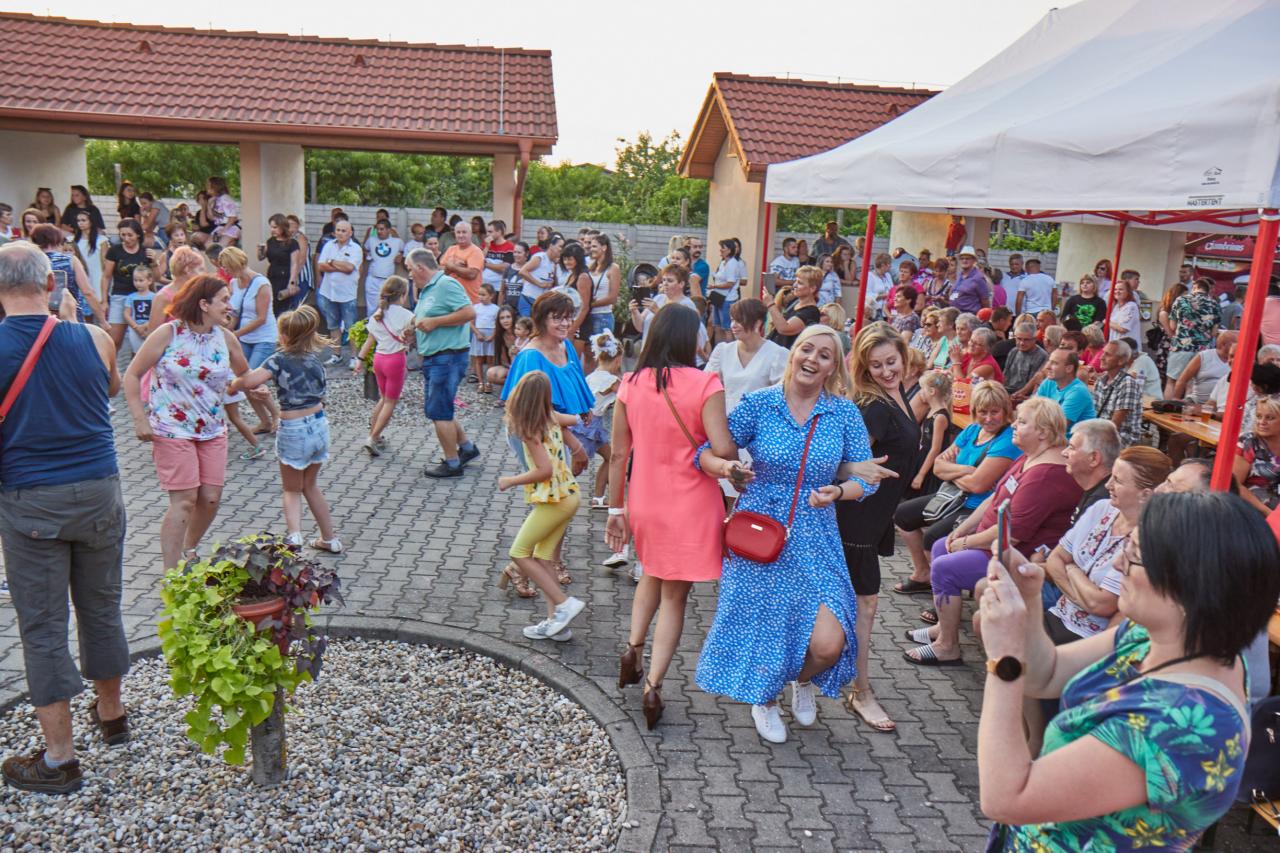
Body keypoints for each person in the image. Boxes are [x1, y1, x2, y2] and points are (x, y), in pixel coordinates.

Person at [976, 491, 1279, 851]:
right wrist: (1028, 599)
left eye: (1134, 555)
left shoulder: (1180, 724)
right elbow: (1047, 674)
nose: (1118, 564)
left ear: (1190, 584)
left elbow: (1006, 798)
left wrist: (1004, 659)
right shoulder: (1156, 637)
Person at [694, 324, 892, 745]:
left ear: (833, 367)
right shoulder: (760, 404)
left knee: (829, 643)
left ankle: (803, 680)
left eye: (824, 354)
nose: (812, 359)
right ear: (793, 354)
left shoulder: (843, 413)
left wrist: (840, 491)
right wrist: (728, 469)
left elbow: (867, 480)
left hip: (816, 532)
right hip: (760, 530)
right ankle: (764, 699)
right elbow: (707, 451)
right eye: (806, 349)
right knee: (766, 625)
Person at [0, 243, 128, 793]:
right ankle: (112, 716)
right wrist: (71, 325)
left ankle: (60, 759)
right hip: (100, 490)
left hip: (31, 501)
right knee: (102, 607)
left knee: (43, 627)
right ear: (50, 285)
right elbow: (110, 388)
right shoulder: (95, 338)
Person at [604, 307, 735, 727]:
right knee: (675, 597)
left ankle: (632, 649)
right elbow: (722, 448)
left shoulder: (631, 383)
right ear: (688, 338)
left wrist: (615, 508)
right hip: (691, 503)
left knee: (650, 573)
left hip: (645, 499)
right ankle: (653, 686)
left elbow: (619, 453)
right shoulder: (706, 383)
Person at [905, 397, 1080, 666]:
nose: (1014, 425)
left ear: (1043, 432)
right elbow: (994, 499)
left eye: (1022, 422)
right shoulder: (1028, 457)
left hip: (1016, 555)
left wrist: (967, 542)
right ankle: (943, 627)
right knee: (940, 545)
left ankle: (948, 647)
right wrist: (962, 531)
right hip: (994, 542)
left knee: (944, 568)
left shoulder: (1045, 475)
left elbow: (1012, 534)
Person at [124, 275, 249, 569]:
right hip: (172, 428)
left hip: (212, 428)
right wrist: (140, 418)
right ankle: (172, 575)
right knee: (185, 500)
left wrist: (255, 386)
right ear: (204, 304)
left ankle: (188, 548)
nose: (230, 305)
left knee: (210, 498)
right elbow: (132, 375)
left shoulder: (226, 338)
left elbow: (244, 374)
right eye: (224, 300)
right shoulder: (168, 333)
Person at [836, 324, 919, 734]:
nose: (887, 371)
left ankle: (834, 677)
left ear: (903, 356)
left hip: (874, 518)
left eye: (891, 362)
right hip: (857, 519)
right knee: (863, 606)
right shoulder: (874, 406)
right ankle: (860, 690)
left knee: (857, 606)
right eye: (877, 365)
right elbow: (842, 462)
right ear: (864, 368)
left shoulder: (897, 394)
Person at [228, 306, 341, 553]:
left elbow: (249, 381)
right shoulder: (316, 361)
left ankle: (294, 537)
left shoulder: (278, 359)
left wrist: (233, 383)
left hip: (294, 428)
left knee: (291, 489)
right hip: (319, 425)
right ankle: (330, 539)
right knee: (311, 485)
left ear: (283, 336)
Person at [893, 382, 1020, 598]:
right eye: (983, 412)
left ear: (1005, 411)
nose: (988, 418)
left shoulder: (1006, 440)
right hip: (953, 496)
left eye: (995, 412)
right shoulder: (972, 430)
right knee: (902, 515)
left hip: (977, 506)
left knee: (932, 538)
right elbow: (937, 467)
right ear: (974, 412)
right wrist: (967, 470)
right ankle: (924, 574)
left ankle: (945, 590)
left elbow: (978, 486)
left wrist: (953, 472)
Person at [1042, 447, 1171, 644]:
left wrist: (1071, 569)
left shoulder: (1144, 540)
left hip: (1086, 638)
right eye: (1111, 476)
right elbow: (1054, 559)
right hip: (1057, 614)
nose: (1108, 485)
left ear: (1145, 494)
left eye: (1117, 480)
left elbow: (1101, 604)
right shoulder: (1102, 508)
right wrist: (1085, 598)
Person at [498, 370, 587, 640]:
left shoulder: (530, 429)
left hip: (555, 501)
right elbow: (571, 419)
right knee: (544, 557)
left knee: (519, 552)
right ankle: (557, 624)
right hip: (570, 495)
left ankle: (563, 604)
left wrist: (511, 480)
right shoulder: (550, 417)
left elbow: (544, 470)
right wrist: (580, 419)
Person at [411, 248, 481, 479]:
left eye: (410, 269)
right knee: (442, 408)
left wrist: (436, 322)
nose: (410, 275)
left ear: (421, 268)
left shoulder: (446, 285)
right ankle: (467, 449)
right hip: (436, 357)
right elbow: (425, 317)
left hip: (447, 358)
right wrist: (412, 328)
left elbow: (469, 313)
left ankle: (452, 464)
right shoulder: (428, 289)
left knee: (439, 412)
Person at [353, 276, 414, 456]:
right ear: (402, 295)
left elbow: (370, 341)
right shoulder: (407, 315)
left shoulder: (377, 314)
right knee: (390, 402)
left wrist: (359, 359)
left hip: (379, 359)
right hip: (395, 360)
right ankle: (373, 438)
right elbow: (412, 336)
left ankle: (374, 434)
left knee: (383, 398)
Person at [704, 297, 788, 412]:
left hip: (760, 419)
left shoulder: (777, 354)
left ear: (758, 323)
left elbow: (782, 396)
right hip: (725, 418)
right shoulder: (723, 351)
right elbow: (707, 386)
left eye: (739, 320)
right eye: (732, 320)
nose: (733, 325)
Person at [29, 224, 102, 326]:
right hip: (69, 317)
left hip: (39, 318)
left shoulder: (29, 262)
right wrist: (102, 320)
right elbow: (88, 292)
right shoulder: (70, 260)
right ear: (57, 239)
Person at [630, 265, 709, 357]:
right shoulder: (658, 298)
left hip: (670, 357)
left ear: (681, 284)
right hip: (648, 354)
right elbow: (641, 327)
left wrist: (658, 311)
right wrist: (634, 312)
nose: (665, 283)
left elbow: (683, 333)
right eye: (663, 280)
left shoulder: (687, 305)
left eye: (670, 281)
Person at [103, 219, 156, 350]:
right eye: (123, 235)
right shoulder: (115, 251)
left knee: (142, 341)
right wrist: (104, 300)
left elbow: (156, 277)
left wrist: (155, 262)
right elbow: (106, 276)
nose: (126, 238)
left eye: (130, 235)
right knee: (114, 341)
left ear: (138, 234)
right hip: (120, 296)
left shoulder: (145, 252)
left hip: (142, 298)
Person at [315, 220, 362, 365]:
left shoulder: (356, 248)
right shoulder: (329, 245)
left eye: (343, 230)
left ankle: (354, 357)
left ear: (350, 233)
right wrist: (338, 265)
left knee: (351, 327)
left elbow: (349, 268)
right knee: (333, 325)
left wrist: (331, 261)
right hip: (329, 292)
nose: (340, 233)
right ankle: (336, 355)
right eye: (338, 230)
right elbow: (321, 266)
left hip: (347, 294)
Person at [1165, 278, 1221, 397]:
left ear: (1194, 288)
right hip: (1202, 350)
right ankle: (1187, 408)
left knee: (1171, 381)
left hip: (1180, 346)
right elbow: (1214, 333)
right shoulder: (1214, 304)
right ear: (1207, 291)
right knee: (1191, 384)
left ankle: (1167, 406)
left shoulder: (1180, 300)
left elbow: (1172, 326)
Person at [1062, 418, 1121, 525]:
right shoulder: (1098, 492)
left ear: (1094, 458)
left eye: (1072, 447)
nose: (1064, 453)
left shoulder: (1101, 503)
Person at [1091, 341, 1144, 447]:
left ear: (1121, 360)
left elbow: (1114, 425)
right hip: (1102, 434)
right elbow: (1094, 414)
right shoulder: (1101, 381)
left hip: (1121, 439)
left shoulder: (1128, 384)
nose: (1101, 357)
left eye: (1108, 354)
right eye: (1103, 353)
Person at [1235, 395, 1280, 514]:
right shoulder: (1249, 441)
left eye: (1270, 418)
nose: (1262, 422)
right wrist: (1269, 513)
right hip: (1253, 508)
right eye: (1259, 416)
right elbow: (1235, 485)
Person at [1035, 349, 1096, 434]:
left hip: (1072, 440)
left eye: (1054, 363)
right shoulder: (1049, 381)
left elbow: (1058, 426)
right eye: (1049, 361)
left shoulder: (1078, 391)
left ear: (1069, 369)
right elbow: (1032, 408)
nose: (1047, 367)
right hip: (1049, 435)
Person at [1171, 329, 1234, 404]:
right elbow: (1182, 380)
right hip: (1197, 402)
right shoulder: (1204, 356)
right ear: (1224, 344)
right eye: (1236, 343)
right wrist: (1176, 399)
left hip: (1223, 404)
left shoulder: (1239, 360)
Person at [767, 265, 823, 349]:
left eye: (800, 283)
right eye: (795, 281)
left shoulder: (811, 312)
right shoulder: (794, 303)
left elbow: (784, 328)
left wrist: (770, 304)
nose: (795, 285)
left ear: (812, 288)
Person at [362, 218, 403, 318]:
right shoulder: (371, 240)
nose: (379, 231)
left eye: (382, 229)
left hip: (387, 280)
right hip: (373, 278)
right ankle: (370, 326)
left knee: (387, 308)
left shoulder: (397, 242)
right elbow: (364, 249)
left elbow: (404, 251)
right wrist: (368, 255)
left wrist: (400, 256)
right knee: (371, 308)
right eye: (378, 229)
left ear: (389, 230)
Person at [708, 238, 747, 343]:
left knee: (727, 328)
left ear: (729, 250)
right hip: (718, 297)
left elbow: (730, 283)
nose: (720, 250)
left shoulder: (733, 264)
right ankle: (719, 349)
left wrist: (714, 286)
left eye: (723, 248)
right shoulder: (723, 262)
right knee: (717, 327)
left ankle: (729, 349)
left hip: (727, 299)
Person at [257, 213, 301, 305]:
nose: (272, 230)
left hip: (285, 276)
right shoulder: (270, 241)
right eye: (271, 227)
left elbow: (295, 264)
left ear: (282, 227)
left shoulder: (292, 243)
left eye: (275, 227)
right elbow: (261, 258)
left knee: (283, 303)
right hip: (272, 275)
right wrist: (260, 250)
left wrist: (292, 282)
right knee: (272, 302)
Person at [516, 234, 563, 317]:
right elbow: (522, 271)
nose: (562, 249)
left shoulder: (553, 263)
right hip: (528, 299)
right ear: (551, 246)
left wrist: (549, 283)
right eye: (560, 246)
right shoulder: (540, 257)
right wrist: (539, 284)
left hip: (540, 303)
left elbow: (547, 280)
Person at [584, 233, 621, 339]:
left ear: (604, 247)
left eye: (594, 246)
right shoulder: (590, 267)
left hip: (602, 317)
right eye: (591, 246)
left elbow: (613, 298)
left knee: (600, 349)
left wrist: (590, 304)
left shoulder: (613, 268)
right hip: (587, 315)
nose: (591, 249)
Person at [72, 211, 109, 312]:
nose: (80, 223)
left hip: (97, 277)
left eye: (83, 220)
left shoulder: (101, 240)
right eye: (78, 220)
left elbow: (104, 264)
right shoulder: (72, 240)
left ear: (91, 222)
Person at [1003, 320, 1048, 403]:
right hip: (1007, 392)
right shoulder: (1014, 351)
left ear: (1035, 339)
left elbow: (1034, 384)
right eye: (1019, 339)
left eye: (1026, 340)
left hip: (1024, 397)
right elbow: (1005, 376)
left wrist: (1015, 396)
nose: (1022, 343)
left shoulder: (1042, 356)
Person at [441, 221, 485, 304]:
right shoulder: (451, 249)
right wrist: (455, 267)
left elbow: (471, 274)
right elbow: (441, 272)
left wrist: (452, 267)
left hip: (470, 300)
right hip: (450, 298)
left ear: (471, 234)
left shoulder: (476, 251)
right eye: (458, 232)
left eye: (464, 232)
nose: (461, 235)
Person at [470, 283, 501, 392]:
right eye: (479, 294)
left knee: (490, 360)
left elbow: (498, 324)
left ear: (491, 296)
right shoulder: (475, 308)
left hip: (490, 335)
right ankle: (480, 382)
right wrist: (477, 333)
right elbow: (471, 323)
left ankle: (489, 382)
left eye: (483, 295)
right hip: (479, 335)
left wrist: (493, 336)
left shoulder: (496, 309)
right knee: (478, 359)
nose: (481, 297)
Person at [122, 266, 156, 356]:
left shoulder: (155, 297)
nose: (138, 283)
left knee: (150, 352)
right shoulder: (131, 297)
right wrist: (136, 327)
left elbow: (156, 313)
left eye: (141, 280)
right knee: (136, 352)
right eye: (135, 280)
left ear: (149, 281)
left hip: (150, 328)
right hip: (135, 329)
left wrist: (146, 325)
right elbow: (126, 314)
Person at [485, 305, 519, 391]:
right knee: (491, 374)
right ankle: (515, 387)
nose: (505, 321)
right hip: (513, 366)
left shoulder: (521, 331)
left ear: (513, 317)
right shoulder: (502, 335)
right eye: (502, 318)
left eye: (508, 317)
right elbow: (504, 361)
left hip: (527, 366)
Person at [285, 214, 313, 311]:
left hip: (301, 276)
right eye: (287, 224)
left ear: (297, 225)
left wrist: (295, 276)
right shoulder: (287, 239)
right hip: (289, 276)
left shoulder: (300, 237)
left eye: (292, 224)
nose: (290, 227)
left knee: (298, 306)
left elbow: (301, 258)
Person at [950, 246, 991, 313]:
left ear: (973, 260)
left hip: (969, 316)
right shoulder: (960, 275)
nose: (964, 261)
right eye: (962, 258)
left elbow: (985, 301)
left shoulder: (978, 278)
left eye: (967, 258)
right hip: (955, 314)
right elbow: (956, 294)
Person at [1107, 277, 1141, 347]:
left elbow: (1123, 329)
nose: (1117, 291)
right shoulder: (1116, 307)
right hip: (1115, 344)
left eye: (1121, 289)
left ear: (1128, 292)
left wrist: (1107, 322)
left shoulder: (1131, 306)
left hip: (1127, 346)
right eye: (1115, 289)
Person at [206, 177, 240, 247]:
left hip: (230, 226)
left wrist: (223, 231)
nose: (207, 187)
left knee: (219, 246)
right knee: (208, 245)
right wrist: (209, 205)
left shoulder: (225, 198)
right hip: (221, 227)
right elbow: (211, 218)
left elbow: (233, 218)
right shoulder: (215, 199)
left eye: (209, 185)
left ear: (215, 187)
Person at [863, 253, 895, 321]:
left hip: (887, 310)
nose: (891, 266)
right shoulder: (870, 276)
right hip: (875, 311)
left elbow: (892, 290)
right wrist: (885, 295)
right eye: (889, 264)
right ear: (883, 265)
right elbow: (867, 295)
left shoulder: (888, 275)